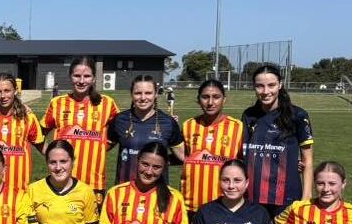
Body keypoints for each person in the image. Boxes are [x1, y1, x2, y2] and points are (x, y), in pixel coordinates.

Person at [41, 57, 121, 200]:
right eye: (77, 76)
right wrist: (50, 153)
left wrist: (103, 146)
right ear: (70, 76)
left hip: (93, 180)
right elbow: (38, 134)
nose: (82, 81)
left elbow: (121, 131)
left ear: (94, 79)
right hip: (62, 179)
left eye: (87, 76)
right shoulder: (57, 103)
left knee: (91, 223)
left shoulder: (107, 103)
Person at [242, 64, 314, 215]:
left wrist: (306, 196)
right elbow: (244, 153)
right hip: (254, 195)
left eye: (271, 85)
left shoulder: (298, 115)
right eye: (260, 86)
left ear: (280, 85)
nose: (266, 91)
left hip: (287, 195)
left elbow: (308, 160)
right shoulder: (249, 115)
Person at [179, 78, 244, 213]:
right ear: (198, 99)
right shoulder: (188, 126)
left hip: (224, 206)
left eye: (216, 97)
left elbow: (247, 162)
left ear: (224, 99)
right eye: (205, 97)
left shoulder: (237, 127)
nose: (210, 102)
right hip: (190, 206)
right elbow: (181, 157)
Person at [107, 75, 183, 186]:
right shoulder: (119, 120)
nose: (143, 98)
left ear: (156, 94)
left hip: (157, 194)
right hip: (125, 193)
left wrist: (160, 160)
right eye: (138, 93)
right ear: (131, 94)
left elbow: (184, 157)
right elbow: (100, 149)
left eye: (148, 93)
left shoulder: (168, 123)